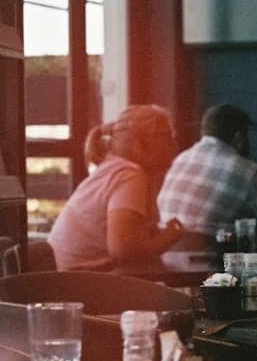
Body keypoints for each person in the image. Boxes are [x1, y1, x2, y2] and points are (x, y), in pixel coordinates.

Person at [48, 105, 184, 270]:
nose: (175, 143)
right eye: (168, 136)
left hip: (64, 277)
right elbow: (124, 251)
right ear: (140, 144)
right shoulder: (130, 176)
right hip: (77, 281)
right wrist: (168, 237)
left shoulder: (115, 167)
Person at [157, 104, 257, 238]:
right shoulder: (248, 171)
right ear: (239, 137)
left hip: (170, 249)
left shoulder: (182, 158)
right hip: (218, 252)